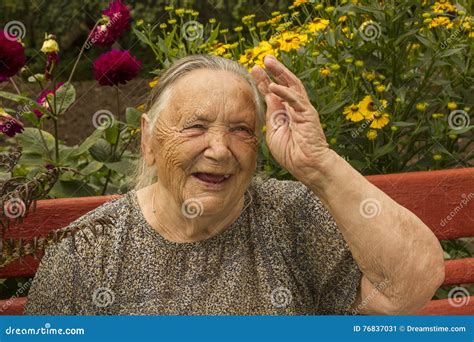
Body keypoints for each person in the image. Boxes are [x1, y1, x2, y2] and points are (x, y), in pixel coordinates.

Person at [25, 54, 444, 315]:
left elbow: (409, 289)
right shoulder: (88, 250)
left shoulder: (292, 216)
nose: (221, 149)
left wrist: (319, 165)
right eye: (196, 127)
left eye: (241, 130)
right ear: (148, 140)